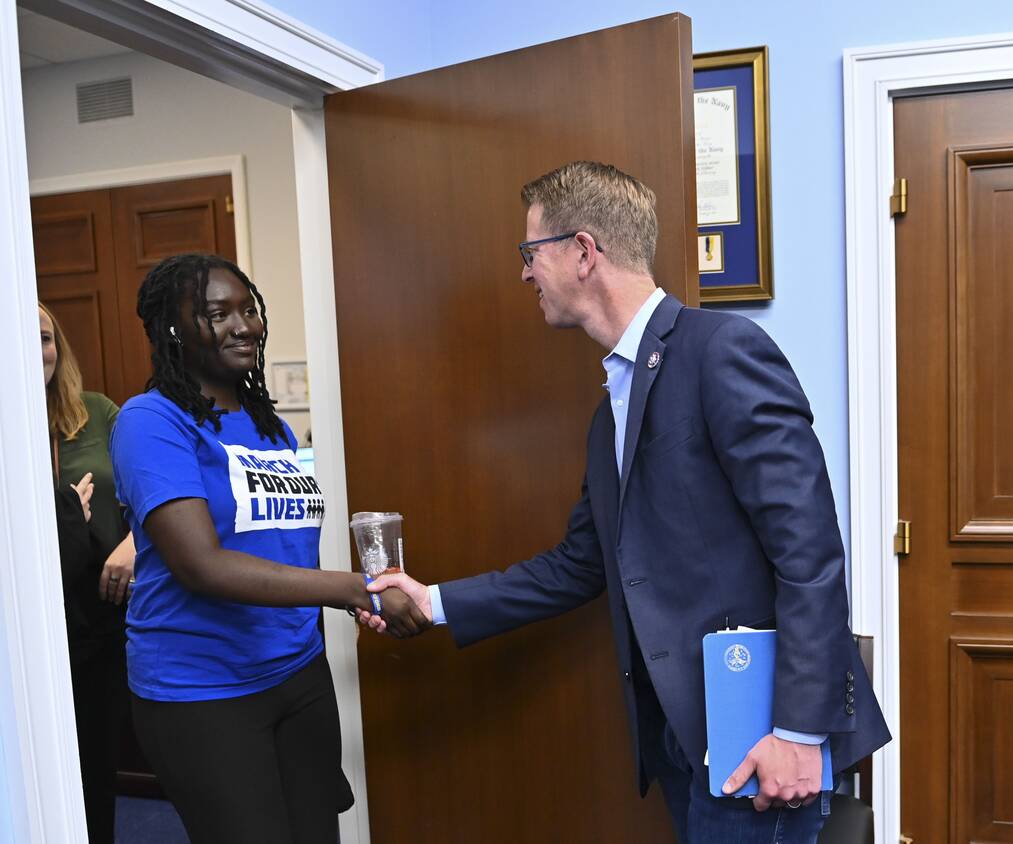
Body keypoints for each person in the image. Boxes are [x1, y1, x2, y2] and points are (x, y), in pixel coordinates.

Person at [363, 161, 891, 843]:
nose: (525, 274)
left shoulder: (721, 351)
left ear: (582, 252)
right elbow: (580, 564)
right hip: (682, 735)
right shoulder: (610, 407)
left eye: (531, 253)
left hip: (761, 737)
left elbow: (809, 551)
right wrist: (430, 600)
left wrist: (795, 730)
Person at [109, 253, 427, 844]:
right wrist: (353, 588)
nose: (243, 324)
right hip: (201, 690)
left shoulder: (269, 426)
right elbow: (201, 564)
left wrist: (352, 597)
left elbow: (280, 549)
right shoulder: (150, 420)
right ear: (173, 328)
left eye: (249, 309)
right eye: (217, 313)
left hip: (298, 673)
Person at [40, 302, 134, 844]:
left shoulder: (98, 412)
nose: (38, 351)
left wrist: (134, 544)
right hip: (31, 622)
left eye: (47, 337)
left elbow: (155, 491)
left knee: (94, 763)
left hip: (99, 617)